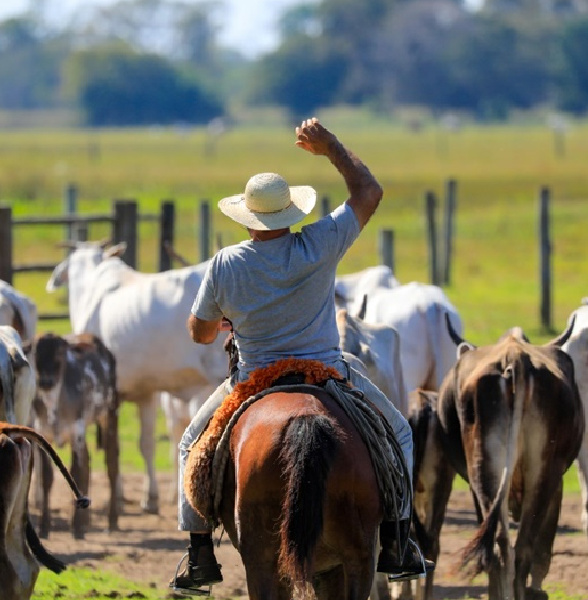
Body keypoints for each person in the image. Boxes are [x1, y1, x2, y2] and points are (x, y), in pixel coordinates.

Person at [171, 117, 427, 594]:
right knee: (399, 434)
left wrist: (226, 320)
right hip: (327, 374)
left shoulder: (227, 263)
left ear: (246, 218)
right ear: (289, 213)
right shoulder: (321, 241)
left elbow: (200, 334)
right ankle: (398, 540)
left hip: (253, 381)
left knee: (190, 445)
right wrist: (330, 147)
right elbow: (368, 192)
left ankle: (199, 555)